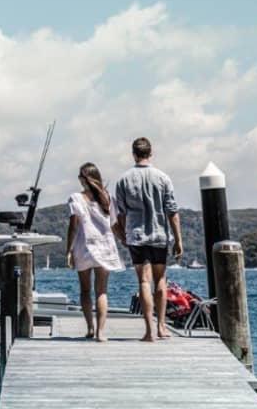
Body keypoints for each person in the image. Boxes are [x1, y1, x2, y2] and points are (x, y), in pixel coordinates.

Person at [113, 137, 183, 342]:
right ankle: (161, 326)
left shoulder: (123, 180)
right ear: (150, 154)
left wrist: (124, 236)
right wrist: (178, 240)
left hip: (136, 236)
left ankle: (148, 331)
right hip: (160, 234)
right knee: (161, 280)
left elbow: (121, 213)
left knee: (144, 281)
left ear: (133, 154)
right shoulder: (163, 178)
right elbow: (172, 211)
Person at [66, 162, 125, 342]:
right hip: (105, 247)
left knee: (85, 290)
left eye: (79, 176)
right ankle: (101, 332)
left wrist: (68, 250)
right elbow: (114, 225)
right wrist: (123, 240)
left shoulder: (75, 198)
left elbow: (73, 226)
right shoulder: (107, 198)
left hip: (84, 247)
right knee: (101, 291)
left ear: (84, 179)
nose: (78, 179)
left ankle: (90, 328)